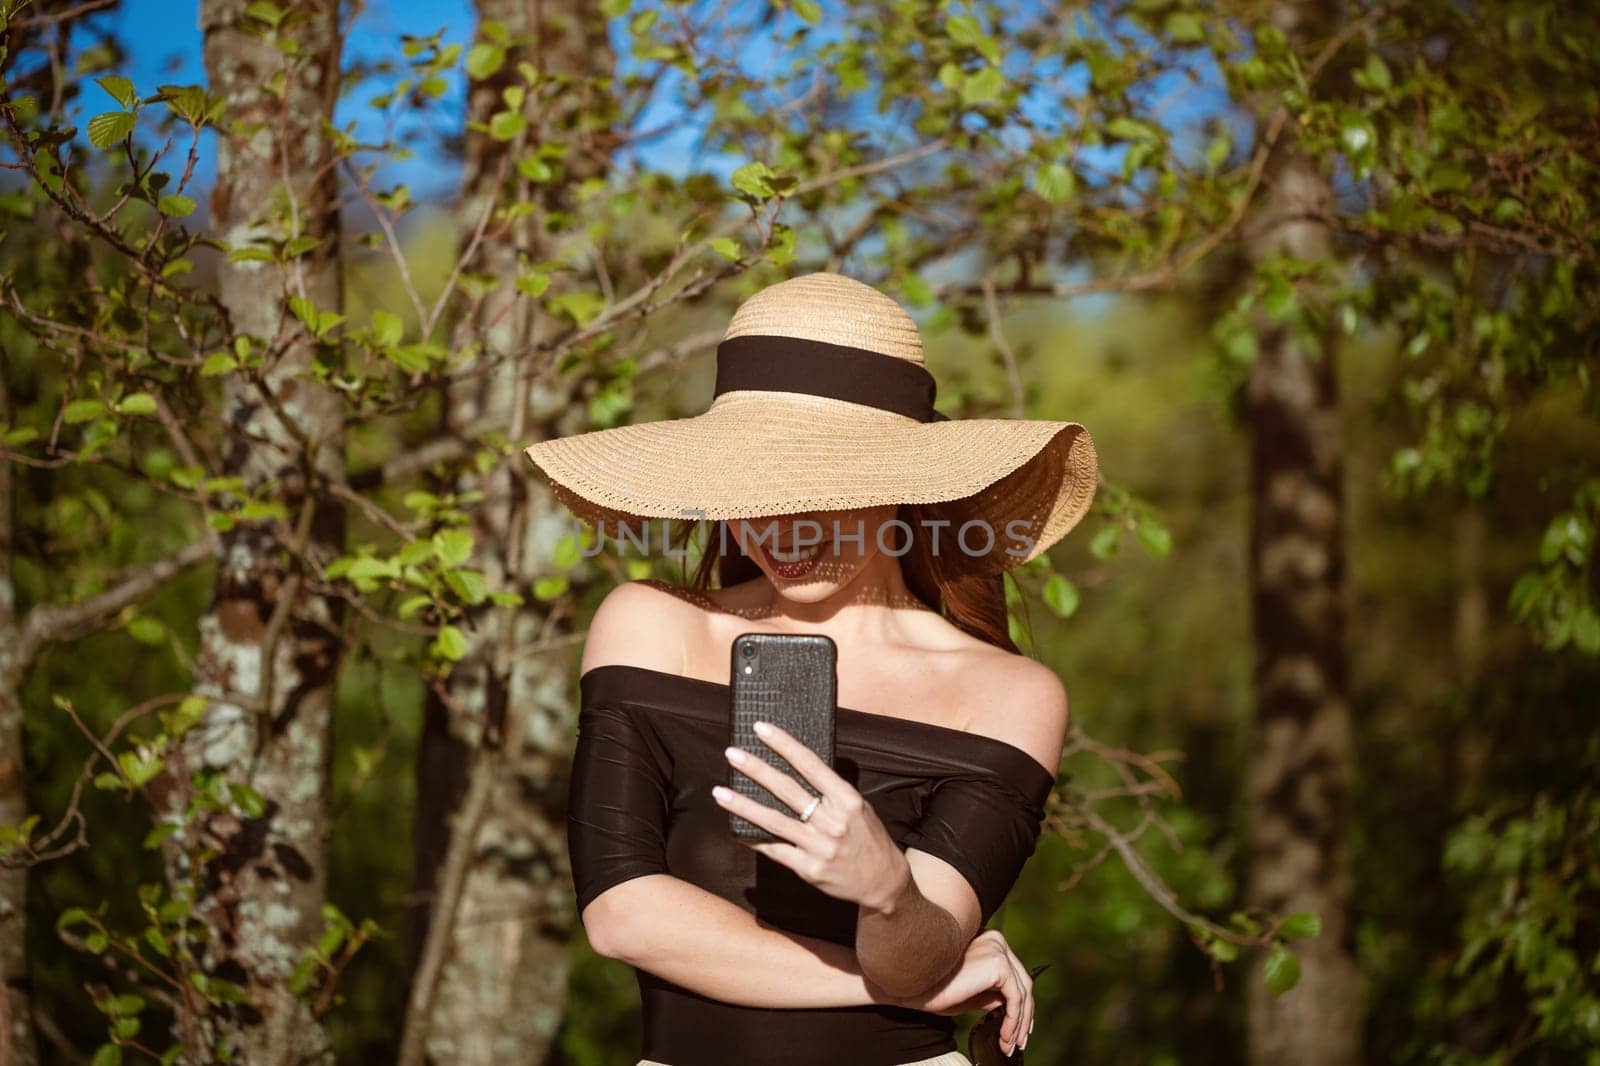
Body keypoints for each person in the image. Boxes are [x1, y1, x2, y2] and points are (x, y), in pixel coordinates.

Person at [523, 271, 1099, 1066]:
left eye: (823, 484)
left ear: (904, 486)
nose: (783, 526)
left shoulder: (1007, 695)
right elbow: (622, 916)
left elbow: (917, 950)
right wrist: (905, 983)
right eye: (756, 486)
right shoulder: (652, 627)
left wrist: (889, 893)